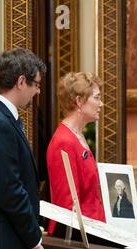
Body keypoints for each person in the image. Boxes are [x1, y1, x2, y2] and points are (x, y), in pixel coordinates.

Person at [0, 48, 48, 249]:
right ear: (21, 81)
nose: (38, 91)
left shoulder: (0, 116)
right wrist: (34, 242)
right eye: (35, 84)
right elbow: (10, 191)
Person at [47, 72, 106, 237]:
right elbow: (67, 206)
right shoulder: (64, 141)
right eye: (97, 98)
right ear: (79, 101)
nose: (101, 104)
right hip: (81, 238)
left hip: (94, 231)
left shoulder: (77, 136)